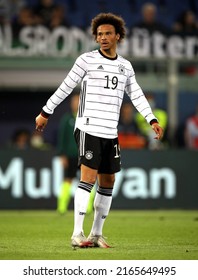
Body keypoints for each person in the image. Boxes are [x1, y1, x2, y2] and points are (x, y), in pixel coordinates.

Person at [35, 12, 164, 248]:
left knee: (108, 180)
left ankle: (96, 235)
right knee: (88, 177)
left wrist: (151, 119)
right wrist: (45, 112)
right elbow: (65, 87)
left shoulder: (125, 66)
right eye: (100, 34)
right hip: (88, 127)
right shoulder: (85, 60)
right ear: (96, 38)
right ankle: (77, 234)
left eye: (107, 34)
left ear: (118, 36)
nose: (103, 38)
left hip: (110, 132)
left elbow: (136, 94)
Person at [56, 93, 94, 215]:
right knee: (68, 179)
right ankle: (61, 207)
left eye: (78, 101)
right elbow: (62, 138)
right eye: (74, 101)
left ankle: (87, 207)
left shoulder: (87, 118)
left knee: (87, 180)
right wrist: (62, 155)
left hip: (85, 154)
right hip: (71, 155)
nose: (76, 104)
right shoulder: (67, 119)